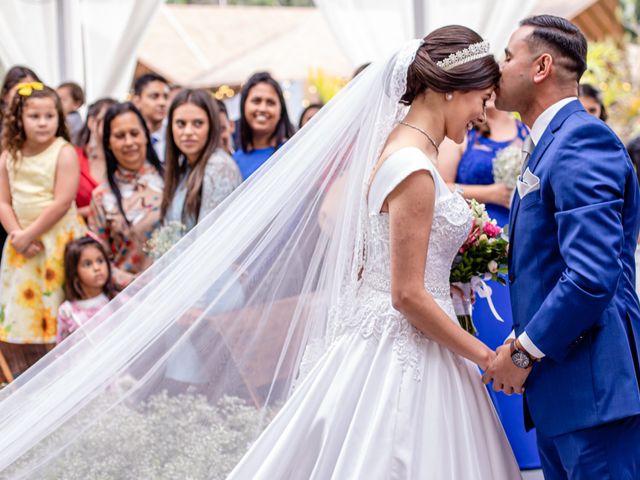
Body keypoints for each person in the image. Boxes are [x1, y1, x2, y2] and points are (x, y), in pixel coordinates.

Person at [0, 29, 523, 478]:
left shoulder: (399, 148)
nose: (486, 110)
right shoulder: (411, 164)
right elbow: (407, 292)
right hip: (408, 344)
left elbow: (373, 263)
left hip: (397, 339)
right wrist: (485, 357)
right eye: (482, 96)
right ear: (449, 90)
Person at [487, 14, 640, 479]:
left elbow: (591, 275)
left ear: (541, 67)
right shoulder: (548, 144)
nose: (499, 66)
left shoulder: (581, 139)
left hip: (594, 393)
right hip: (562, 391)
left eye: (509, 56)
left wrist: (522, 353)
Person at [438, 98, 539, 470]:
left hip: (520, 246)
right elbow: (440, 184)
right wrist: (491, 193)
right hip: (479, 251)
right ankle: (495, 447)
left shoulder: (526, 132)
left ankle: (529, 449)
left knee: (521, 338)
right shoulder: (464, 135)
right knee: (488, 336)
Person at [0, 83, 85, 378]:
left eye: (49, 116)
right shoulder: (10, 155)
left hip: (56, 243)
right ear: (18, 119)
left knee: (56, 306)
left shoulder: (63, 152)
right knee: (25, 311)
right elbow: (3, 201)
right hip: (22, 247)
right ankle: (30, 374)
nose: (43, 122)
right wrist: (16, 235)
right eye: (34, 116)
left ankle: (63, 368)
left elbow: (62, 202)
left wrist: (29, 234)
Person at [88, 102, 164, 289]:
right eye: (120, 136)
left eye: (134, 133)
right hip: (130, 301)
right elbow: (98, 258)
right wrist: (132, 283)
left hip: (178, 292)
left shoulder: (172, 181)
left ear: (146, 136)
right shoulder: (101, 197)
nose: (129, 142)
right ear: (108, 143)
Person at [162, 89, 242, 232]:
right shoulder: (185, 166)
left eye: (198, 123)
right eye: (181, 123)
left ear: (211, 126)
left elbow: (212, 240)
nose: (188, 132)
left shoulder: (219, 167)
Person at [0, 66, 41, 263]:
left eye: (33, 89)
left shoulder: (42, 128)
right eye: (21, 90)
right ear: (6, 94)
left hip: (36, 216)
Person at [233, 71, 295, 180]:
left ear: (281, 111)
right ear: (244, 106)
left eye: (270, 102)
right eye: (256, 101)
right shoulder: (233, 163)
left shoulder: (293, 155)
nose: (262, 109)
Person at [56, 235, 116, 343]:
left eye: (100, 261)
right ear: (74, 273)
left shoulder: (116, 300)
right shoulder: (67, 312)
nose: (97, 268)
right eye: (88, 264)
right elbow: (62, 351)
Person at [73, 98, 117, 219]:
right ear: (92, 122)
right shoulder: (73, 157)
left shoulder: (125, 162)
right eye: (107, 120)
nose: (113, 126)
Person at [132, 73, 170, 163]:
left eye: (166, 97)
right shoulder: (128, 138)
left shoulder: (175, 137)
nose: (162, 103)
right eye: (154, 96)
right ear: (137, 101)